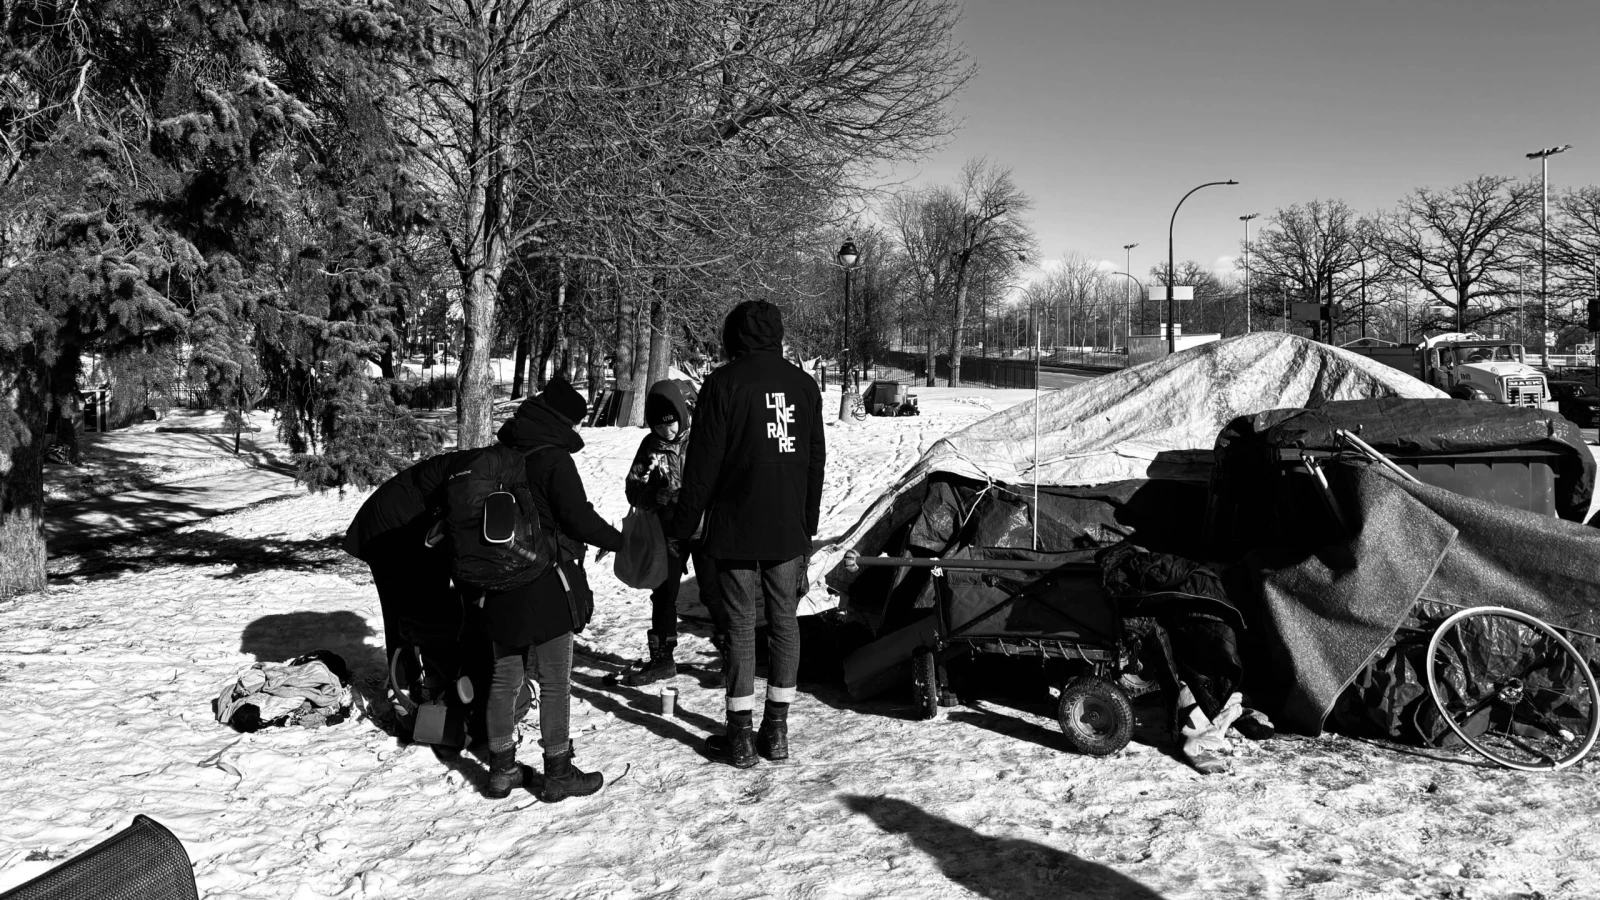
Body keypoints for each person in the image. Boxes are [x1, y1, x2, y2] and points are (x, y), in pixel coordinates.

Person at [669, 300, 825, 768]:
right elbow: (815, 461)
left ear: (733, 336)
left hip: (736, 524)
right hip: (786, 525)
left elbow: (701, 466)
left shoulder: (723, 384)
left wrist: (681, 525)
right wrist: (808, 524)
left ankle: (739, 737)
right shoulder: (804, 385)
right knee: (784, 622)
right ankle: (775, 731)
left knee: (738, 624)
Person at [478, 377, 623, 801]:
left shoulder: (502, 452)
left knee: (505, 676)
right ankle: (558, 773)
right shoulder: (553, 460)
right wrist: (619, 540)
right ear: (564, 422)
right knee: (556, 679)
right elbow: (577, 518)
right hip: (545, 583)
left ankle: (501, 771)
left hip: (499, 580)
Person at [618, 379, 730, 686]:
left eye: (671, 424)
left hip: (704, 530)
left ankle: (732, 655)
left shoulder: (702, 439)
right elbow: (632, 487)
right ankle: (663, 659)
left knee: (711, 592)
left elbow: (723, 483)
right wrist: (654, 495)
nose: (666, 432)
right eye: (659, 426)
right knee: (663, 594)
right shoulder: (649, 447)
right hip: (667, 534)